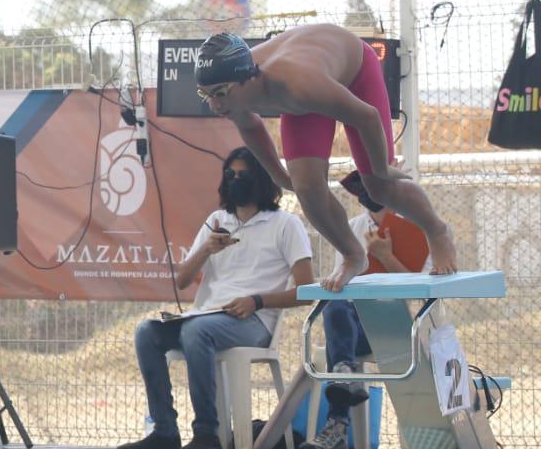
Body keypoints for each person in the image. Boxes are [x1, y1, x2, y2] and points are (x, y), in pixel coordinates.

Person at [194, 27, 455, 292]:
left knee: (378, 187)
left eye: (220, 93)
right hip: (306, 93)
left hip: (354, 73)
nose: (214, 105)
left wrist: (381, 168)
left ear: (248, 79)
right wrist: (280, 176)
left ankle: (436, 230)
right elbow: (250, 127)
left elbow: (367, 116)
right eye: (205, 95)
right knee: (306, 188)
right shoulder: (235, 97)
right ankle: (354, 255)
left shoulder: (297, 84)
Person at [118, 148, 315, 449]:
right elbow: (183, 280)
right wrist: (206, 250)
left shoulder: (285, 224)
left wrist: (257, 300)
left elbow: (307, 290)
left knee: (196, 332)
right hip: (206, 315)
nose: (235, 181)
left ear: (261, 180)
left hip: (254, 321)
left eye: (243, 176)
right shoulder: (217, 220)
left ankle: (207, 432)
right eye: (230, 175)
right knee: (147, 332)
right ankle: (164, 431)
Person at [299, 170, 429, 449]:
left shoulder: (418, 227)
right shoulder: (350, 228)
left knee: (339, 331)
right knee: (335, 305)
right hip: (355, 327)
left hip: (398, 326)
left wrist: (386, 257)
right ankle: (345, 373)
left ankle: (337, 424)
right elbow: (340, 283)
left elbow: (420, 291)